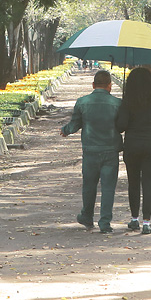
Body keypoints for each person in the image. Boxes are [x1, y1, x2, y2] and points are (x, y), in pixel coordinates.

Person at [60, 69, 123, 233]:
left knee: (89, 185)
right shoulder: (118, 104)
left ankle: (87, 216)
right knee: (108, 187)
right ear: (110, 86)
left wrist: (65, 130)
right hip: (111, 150)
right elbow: (123, 126)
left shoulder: (82, 102)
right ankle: (105, 223)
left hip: (90, 150)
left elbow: (74, 124)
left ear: (93, 85)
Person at [116, 67, 151, 235]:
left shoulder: (127, 101)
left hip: (132, 146)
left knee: (133, 183)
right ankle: (147, 222)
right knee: (148, 184)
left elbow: (121, 126)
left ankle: (134, 220)